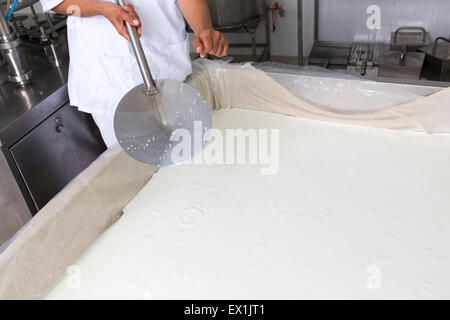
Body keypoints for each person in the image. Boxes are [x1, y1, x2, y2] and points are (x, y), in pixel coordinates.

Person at [40, 0, 228, 147]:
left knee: (188, 154)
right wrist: (102, 9)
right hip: (110, 77)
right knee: (138, 171)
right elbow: (56, 3)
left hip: (168, 66)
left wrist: (203, 29)